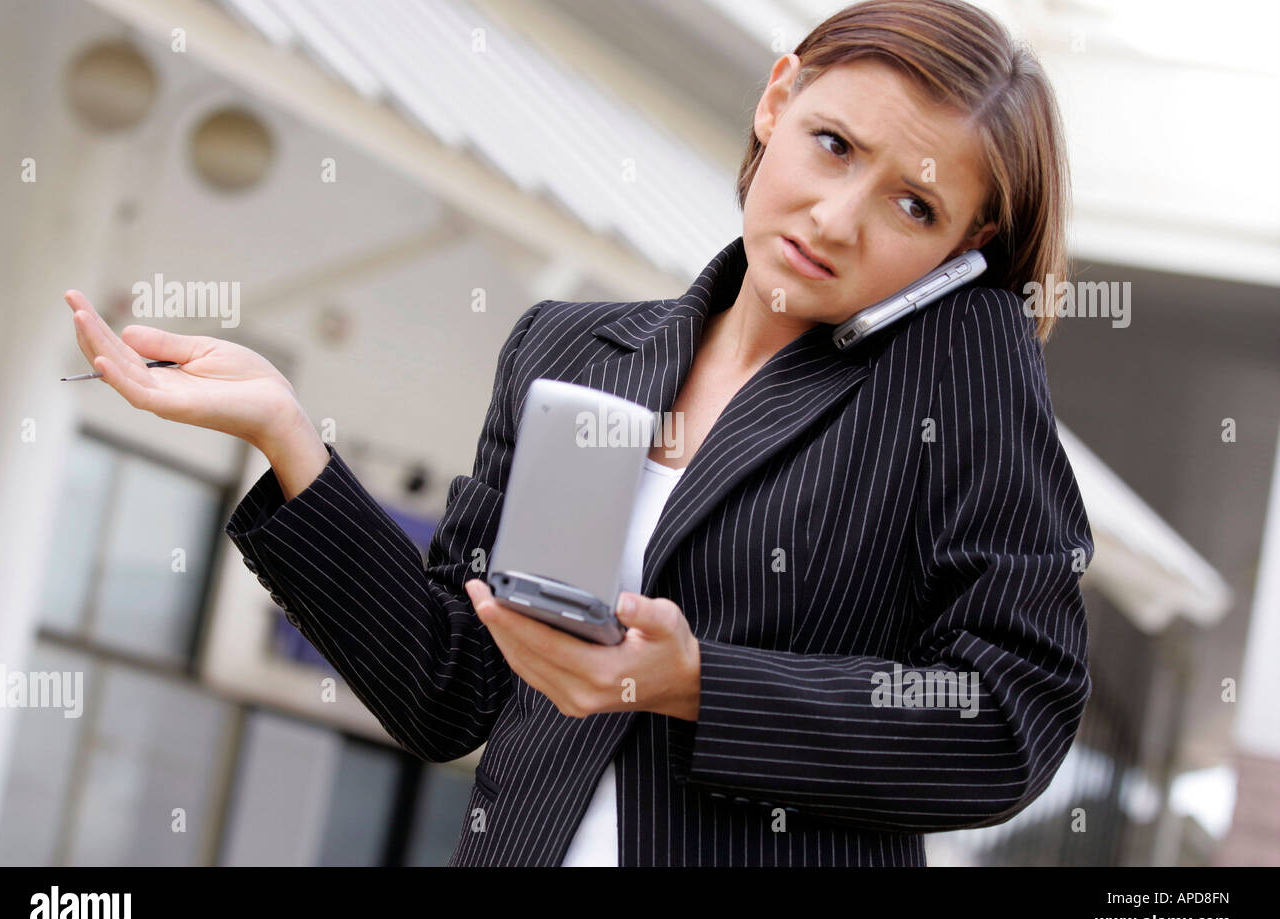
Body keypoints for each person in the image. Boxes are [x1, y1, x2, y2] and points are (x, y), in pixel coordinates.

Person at [65, 0, 1092, 866]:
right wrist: (289, 437)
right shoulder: (572, 351)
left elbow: (1008, 719)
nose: (835, 219)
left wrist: (694, 684)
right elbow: (449, 687)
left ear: (967, 250)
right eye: (833, 145)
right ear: (775, 100)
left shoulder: (953, 382)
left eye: (913, 205)